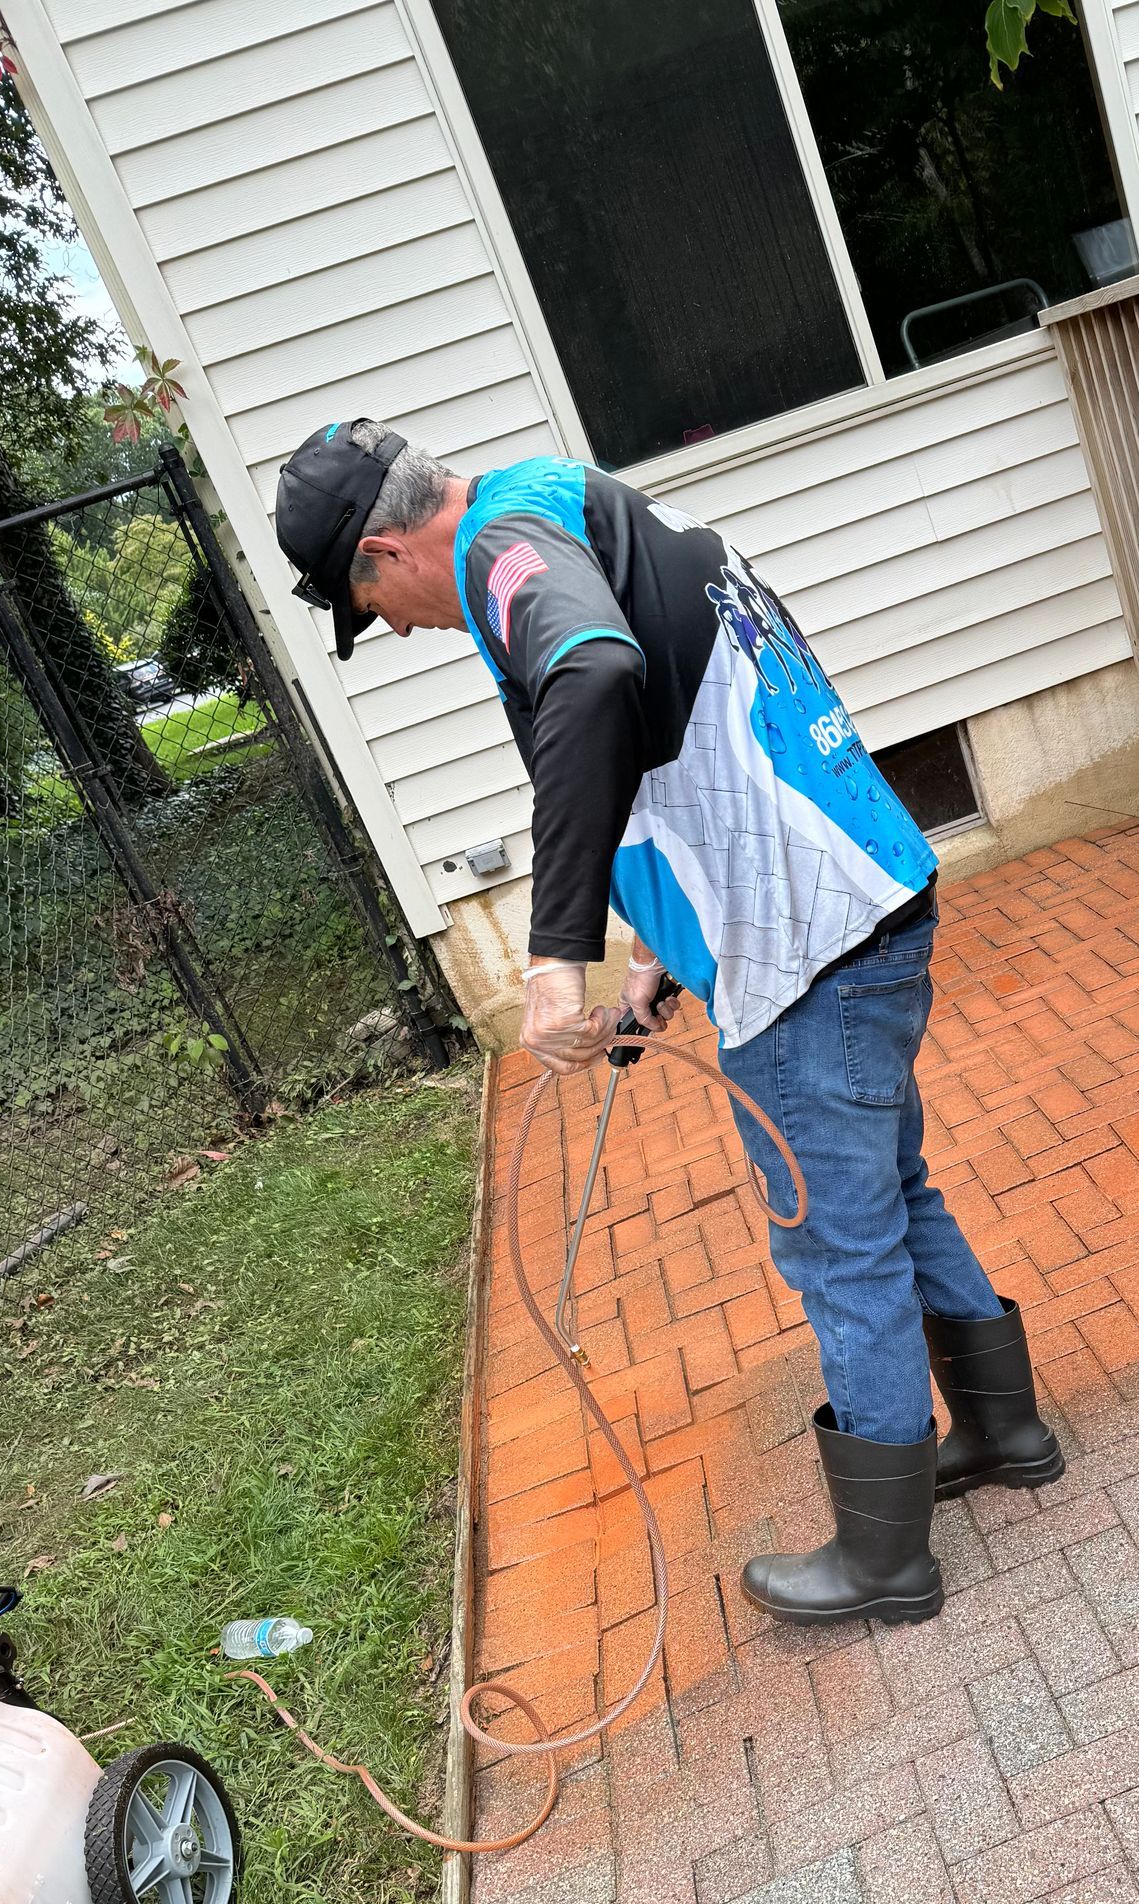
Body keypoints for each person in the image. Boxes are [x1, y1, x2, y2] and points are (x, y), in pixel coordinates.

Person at [273, 420, 1061, 1625]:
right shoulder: (562, 498)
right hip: (865, 897)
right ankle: (1004, 1430)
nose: (392, 627)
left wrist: (555, 961)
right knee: (893, 1196)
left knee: (834, 1241)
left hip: (807, 953)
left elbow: (594, 679)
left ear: (381, 549)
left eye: (368, 603)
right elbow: (684, 741)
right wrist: (656, 955)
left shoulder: (504, 555)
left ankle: (887, 1556)